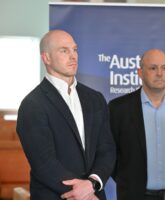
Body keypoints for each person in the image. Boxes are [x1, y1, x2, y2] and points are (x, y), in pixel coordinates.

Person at [16, 30, 116, 200]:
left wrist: (92, 184)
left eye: (75, 49)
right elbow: (44, 163)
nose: (73, 56)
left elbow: (107, 149)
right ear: (46, 58)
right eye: (64, 50)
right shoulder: (32, 104)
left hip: (94, 194)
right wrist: (82, 192)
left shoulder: (95, 98)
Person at [109, 49, 165, 200]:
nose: (159, 73)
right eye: (153, 68)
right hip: (135, 196)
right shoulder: (118, 108)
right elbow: (110, 154)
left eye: (164, 68)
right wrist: (128, 181)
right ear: (140, 72)